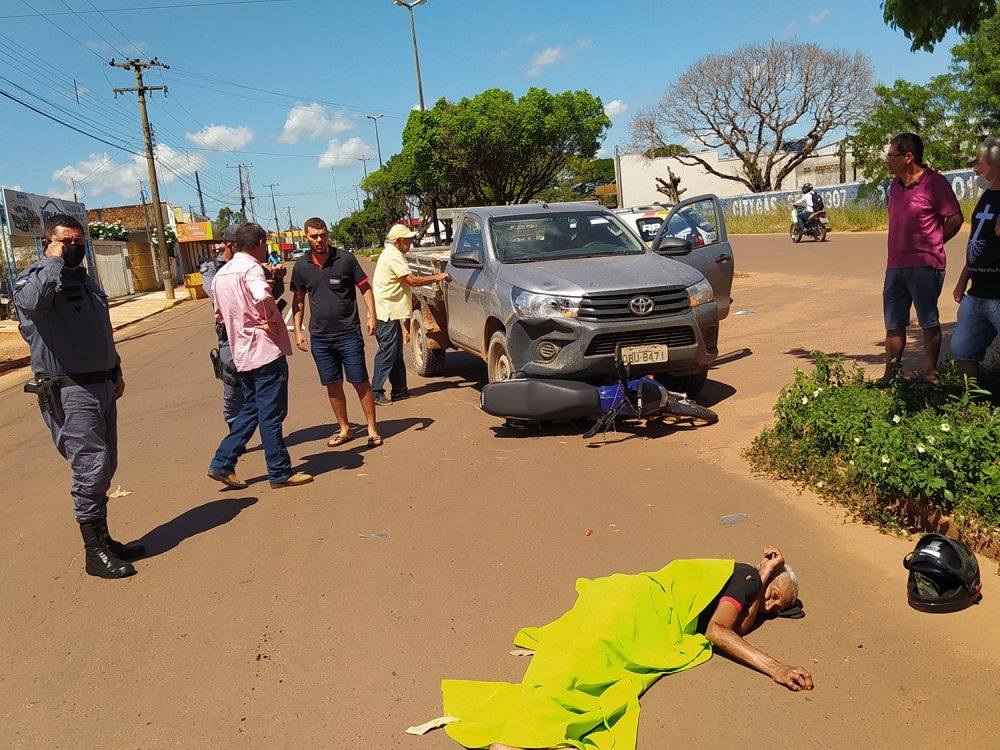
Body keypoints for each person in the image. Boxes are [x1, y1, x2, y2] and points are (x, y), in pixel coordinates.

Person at [441, 547, 811, 750]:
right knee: (589, 662)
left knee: (586, 661)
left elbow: (740, 622)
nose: (770, 606)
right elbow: (720, 630)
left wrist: (766, 585)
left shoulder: (750, 586)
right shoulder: (747, 577)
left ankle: (523, 734)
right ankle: (522, 734)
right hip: (633, 605)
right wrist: (775, 667)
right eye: (775, 597)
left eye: (778, 608)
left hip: (620, 594)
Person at [13, 215, 143, 579]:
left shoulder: (85, 280)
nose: (75, 248)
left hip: (100, 385)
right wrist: (53, 260)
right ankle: (93, 553)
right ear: (48, 243)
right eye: (66, 241)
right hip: (69, 390)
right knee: (91, 466)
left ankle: (104, 539)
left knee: (106, 466)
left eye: (78, 242)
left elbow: (101, 329)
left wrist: (114, 368)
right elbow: (33, 303)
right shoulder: (35, 279)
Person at [207, 223, 312, 489]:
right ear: (261, 243)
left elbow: (219, 314)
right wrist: (268, 319)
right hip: (264, 349)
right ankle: (279, 471)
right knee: (272, 413)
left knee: (252, 407)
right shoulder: (252, 268)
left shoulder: (222, 274)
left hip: (240, 350)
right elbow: (262, 294)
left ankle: (222, 461)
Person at [881, 132, 964, 388]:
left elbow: (956, 218)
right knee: (894, 323)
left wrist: (935, 242)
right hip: (895, 266)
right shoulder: (894, 185)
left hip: (925, 266)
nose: (887, 160)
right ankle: (890, 376)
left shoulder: (935, 183)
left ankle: (929, 374)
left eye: (891, 155)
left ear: (908, 157)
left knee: (928, 320)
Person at [290, 217, 382, 447]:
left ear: (327, 234)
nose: (319, 240)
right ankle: (345, 429)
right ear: (306, 238)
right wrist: (298, 331)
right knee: (332, 384)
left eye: (323, 235)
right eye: (314, 236)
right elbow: (298, 300)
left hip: (348, 334)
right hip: (321, 338)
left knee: (360, 381)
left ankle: (371, 429)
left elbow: (364, 287)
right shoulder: (301, 266)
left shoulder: (345, 259)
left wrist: (372, 314)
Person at [201, 225, 286, 424]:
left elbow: (272, 296)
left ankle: (252, 435)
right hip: (230, 338)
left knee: (263, 390)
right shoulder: (213, 269)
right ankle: (235, 436)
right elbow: (218, 297)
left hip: (257, 337)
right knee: (232, 390)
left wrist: (277, 281)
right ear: (230, 245)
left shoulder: (255, 267)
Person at [371, 223, 448, 406]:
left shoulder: (393, 253)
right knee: (387, 351)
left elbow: (401, 282)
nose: (410, 243)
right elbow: (412, 280)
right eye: (408, 240)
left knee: (395, 352)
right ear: (398, 241)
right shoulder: (393, 255)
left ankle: (399, 390)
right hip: (387, 312)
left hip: (391, 310)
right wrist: (436, 277)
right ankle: (375, 391)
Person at [951, 138, 1000, 380]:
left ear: (996, 165)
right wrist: (963, 279)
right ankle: (971, 405)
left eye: (979, 163)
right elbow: (977, 244)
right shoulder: (985, 198)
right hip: (977, 294)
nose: (975, 169)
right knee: (962, 350)